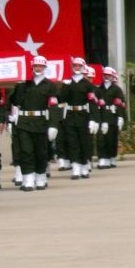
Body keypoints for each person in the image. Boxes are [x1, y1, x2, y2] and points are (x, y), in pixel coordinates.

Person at [9, 56, 61, 191]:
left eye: (41, 66)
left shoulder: (50, 86)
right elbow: (15, 101)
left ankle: (41, 177)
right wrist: (19, 85)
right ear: (32, 67)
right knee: (26, 151)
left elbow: (54, 106)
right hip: (24, 122)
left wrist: (54, 125)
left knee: (41, 152)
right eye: (36, 66)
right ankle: (28, 179)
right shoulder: (23, 84)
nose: (38, 68)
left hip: (41, 122)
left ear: (44, 68)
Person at [59, 57, 101, 179]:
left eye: (79, 66)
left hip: (83, 115)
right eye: (75, 66)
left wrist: (94, 119)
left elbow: (92, 103)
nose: (77, 68)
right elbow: (61, 100)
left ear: (83, 68)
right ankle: (75, 168)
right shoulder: (68, 83)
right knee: (72, 142)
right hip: (71, 115)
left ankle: (84, 166)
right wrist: (65, 87)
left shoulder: (87, 85)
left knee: (84, 142)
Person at [96, 67, 126, 169]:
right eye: (105, 74)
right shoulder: (98, 89)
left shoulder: (117, 89)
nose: (106, 76)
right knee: (101, 138)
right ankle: (102, 159)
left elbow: (120, 104)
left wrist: (120, 117)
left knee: (111, 139)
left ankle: (111, 157)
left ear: (112, 76)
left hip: (112, 116)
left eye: (108, 75)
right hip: (101, 116)